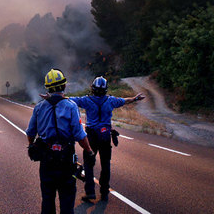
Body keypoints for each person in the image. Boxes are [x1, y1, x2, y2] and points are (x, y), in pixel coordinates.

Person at [26, 69, 95, 214]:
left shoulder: (39, 107)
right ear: (64, 86)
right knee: (67, 202)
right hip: (66, 161)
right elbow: (80, 135)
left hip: (46, 161)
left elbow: (30, 133)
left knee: (47, 200)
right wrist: (89, 151)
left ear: (47, 88)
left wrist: (32, 145)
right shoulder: (71, 107)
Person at [69, 76, 144, 202]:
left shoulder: (86, 100)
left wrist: (52, 97)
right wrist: (135, 98)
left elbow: (69, 100)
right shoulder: (111, 101)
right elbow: (124, 101)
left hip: (91, 136)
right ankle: (104, 192)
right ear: (105, 89)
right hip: (105, 136)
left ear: (93, 88)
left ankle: (90, 192)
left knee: (88, 164)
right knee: (105, 165)